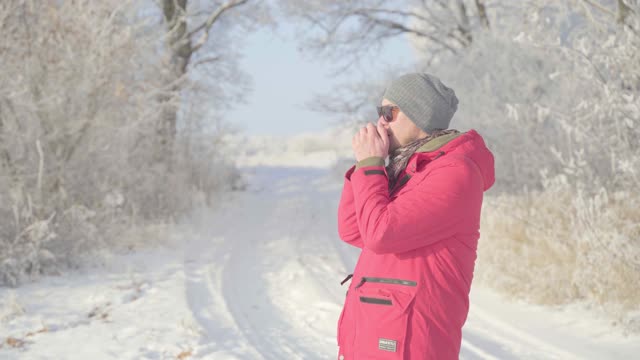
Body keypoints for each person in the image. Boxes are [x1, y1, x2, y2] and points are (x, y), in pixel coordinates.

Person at [336, 73, 495, 359]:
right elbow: (353, 229)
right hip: (375, 337)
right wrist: (367, 165)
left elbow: (380, 234)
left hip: (411, 345)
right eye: (380, 112)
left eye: (389, 112)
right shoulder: (407, 170)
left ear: (419, 115)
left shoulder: (455, 173)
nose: (381, 121)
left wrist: (371, 164)